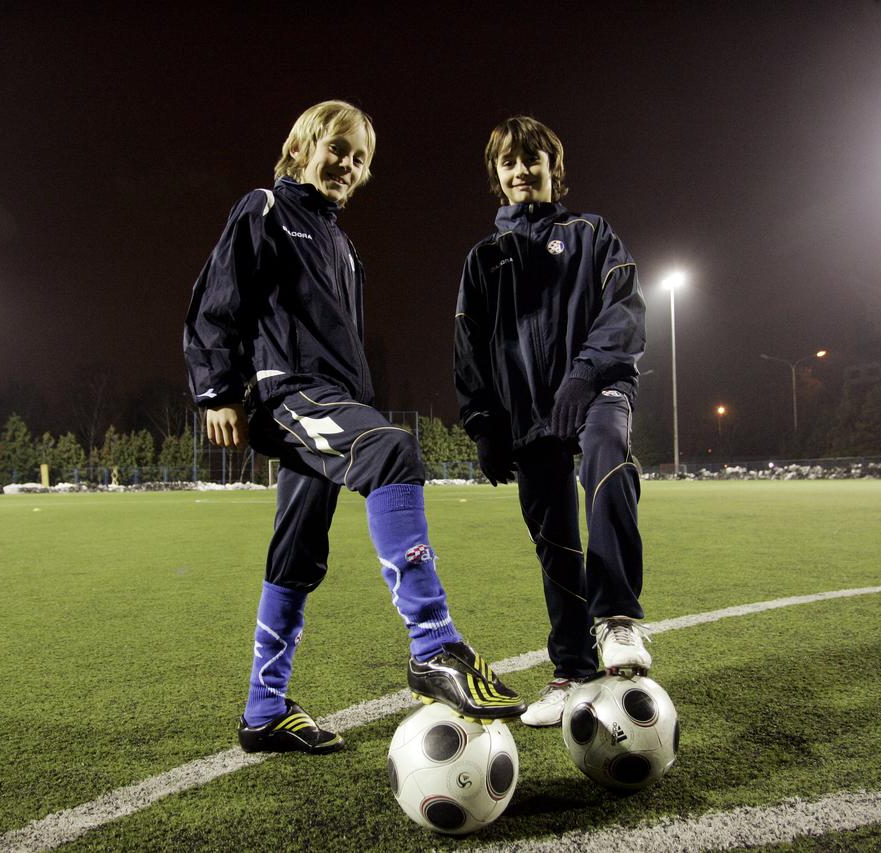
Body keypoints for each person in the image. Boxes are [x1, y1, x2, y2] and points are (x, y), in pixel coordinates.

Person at [184, 100, 524, 755]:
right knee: (392, 450)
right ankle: (434, 645)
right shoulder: (264, 208)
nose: (347, 164)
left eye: (360, 159)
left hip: (331, 401)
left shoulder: (342, 244)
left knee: (297, 553)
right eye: (337, 148)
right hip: (287, 392)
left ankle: (264, 710)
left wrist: (356, 402)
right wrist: (217, 391)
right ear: (302, 147)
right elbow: (215, 301)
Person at [453, 115, 650, 728]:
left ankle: (617, 619)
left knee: (607, 453)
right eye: (508, 162)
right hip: (528, 411)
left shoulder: (592, 234)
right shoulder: (484, 259)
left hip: (595, 388)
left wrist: (585, 374)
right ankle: (573, 670)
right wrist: (483, 423)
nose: (520, 170)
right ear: (496, 174)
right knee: (555, 541)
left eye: (531, 158)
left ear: (552, 167)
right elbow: (469, 347)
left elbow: (626, 310)